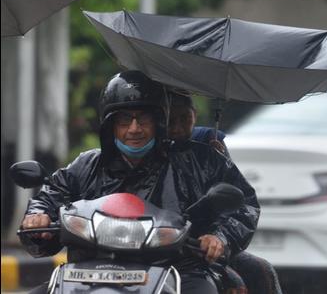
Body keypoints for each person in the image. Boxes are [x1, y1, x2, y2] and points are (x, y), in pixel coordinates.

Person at [20, 70, 260, 294]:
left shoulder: (200, 160)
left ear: (158, 122)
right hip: (89, 272)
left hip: (179, 270)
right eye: (124, 120)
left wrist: (220, 236)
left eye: (143, 119)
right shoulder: (86, 165)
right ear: (110, 125)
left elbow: (243, 204)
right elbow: (52, 195)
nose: (134, 129)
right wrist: (38, 216)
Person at [168, 92, 283, 294]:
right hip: (148, 245)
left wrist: (220, 238)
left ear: (194, 115)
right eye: (170, 121)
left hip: (200, 248)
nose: (177, 128)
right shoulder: (110, 160)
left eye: (184, 119)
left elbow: (243, 204)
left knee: (260, 270)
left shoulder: (209, 150)